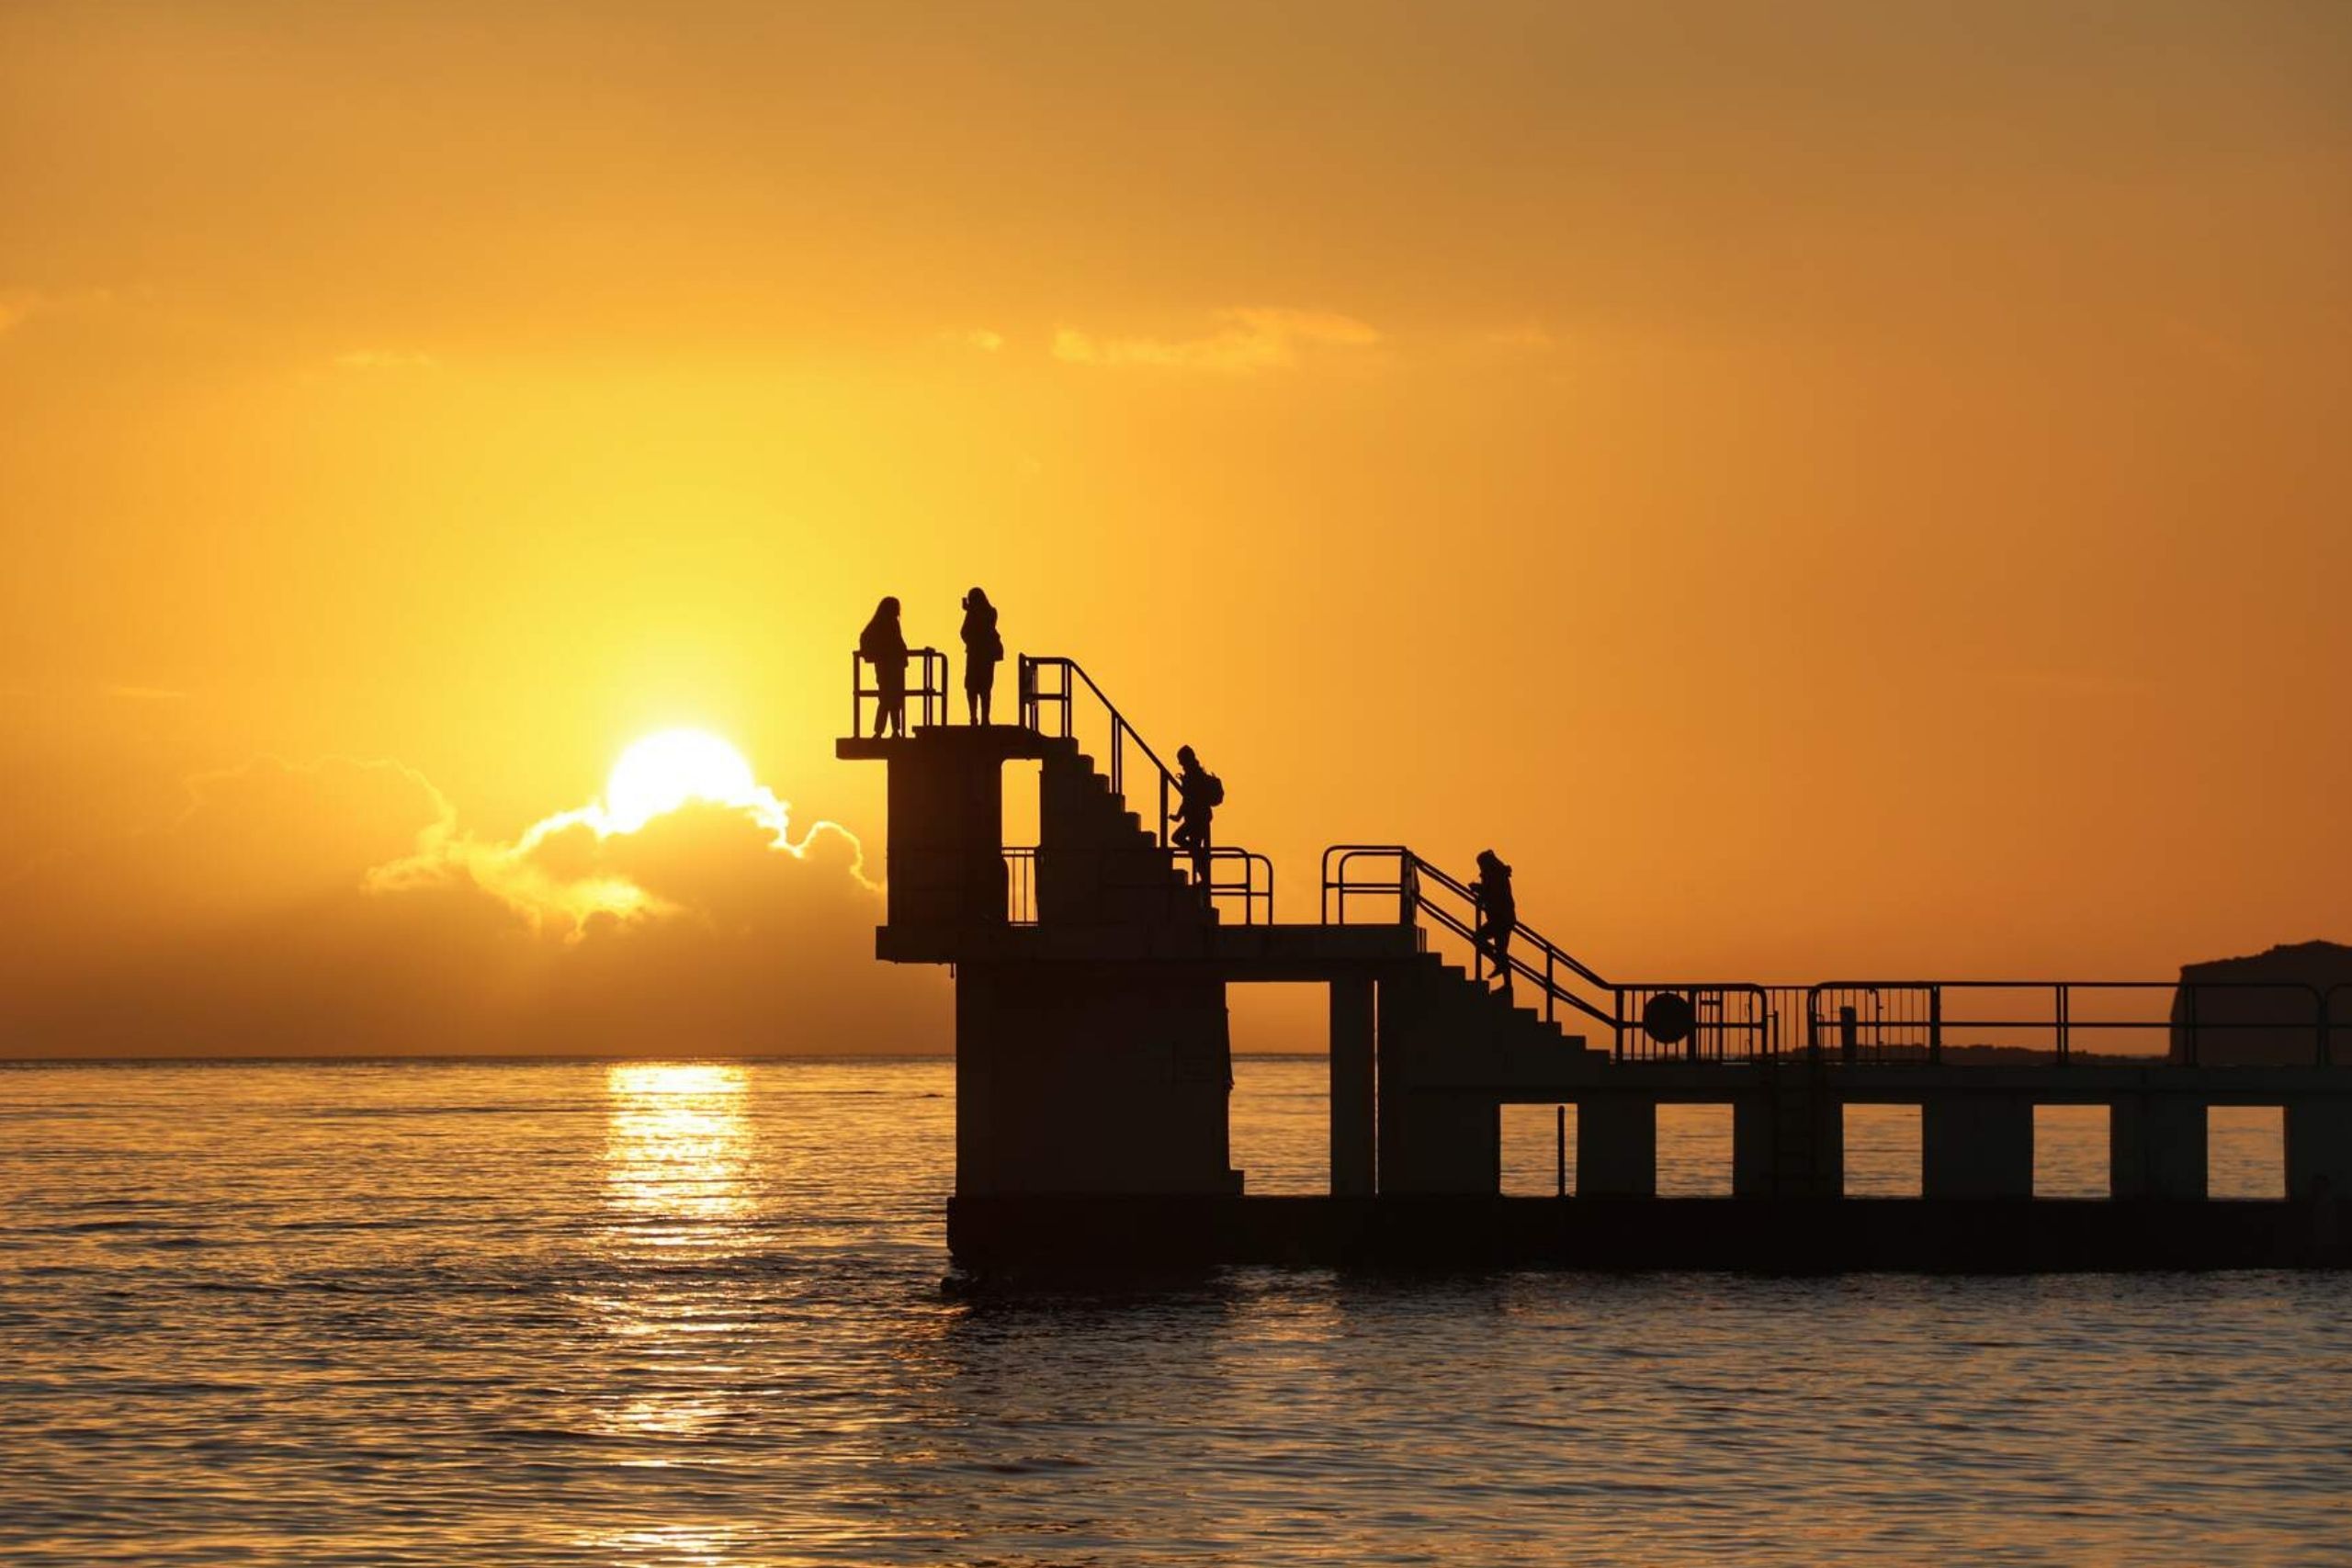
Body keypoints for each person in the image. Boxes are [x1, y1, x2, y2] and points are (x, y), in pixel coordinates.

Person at [1170, 744, 1223, 897]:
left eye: (1181, 760)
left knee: (1186, 843)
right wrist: (1179, 816)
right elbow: (1188, 799)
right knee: (1194, 848)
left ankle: (1205, 879)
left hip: (1196, 818)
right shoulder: (1195, 774)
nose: (1180, 764)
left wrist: (1179, 816)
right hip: (1199, 817)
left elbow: (1188, 799)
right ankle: (1205, 877)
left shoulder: (1192, 777)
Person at [858, 596, 910, 738]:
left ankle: (881, 731)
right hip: (892, 668)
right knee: (893, 700)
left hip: (885, 668)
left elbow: (864, 637)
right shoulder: (891, 623)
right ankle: (892, 731)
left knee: (887, 700)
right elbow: (898, 643)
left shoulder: (878, 623)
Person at [1472, 848, 1516, 993]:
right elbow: (1491, 893)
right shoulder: (1497, 874)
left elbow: (1492, 895)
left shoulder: (1494, 875)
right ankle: (1507, 985)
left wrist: (1479, 890)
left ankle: (1498, 964)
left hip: (1500, 919)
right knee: (1502, 951)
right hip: (1504, 918)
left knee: (1479, 938)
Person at [959, 587, 1002, 726]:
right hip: (973, 654)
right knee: (971, 687)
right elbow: (964, 631)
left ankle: (985, 718)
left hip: (986, 656)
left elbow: (987, 623)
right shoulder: (971, 614)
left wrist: (971, 610)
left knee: (985, 688)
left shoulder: (991, 612)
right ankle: (973, 717)